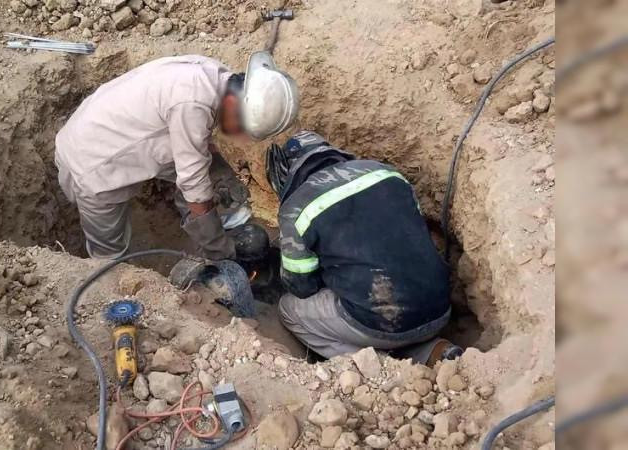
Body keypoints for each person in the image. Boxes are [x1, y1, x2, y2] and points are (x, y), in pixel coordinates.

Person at [55, 52, 298, 260]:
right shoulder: (192, 105)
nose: (237, 132)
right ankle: (112, 284)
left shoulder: (214, 75)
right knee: (108, 257)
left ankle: (228, 222)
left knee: (212, 169)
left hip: (102, 129)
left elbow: (196, 143)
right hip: (92, 161)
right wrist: (219, 248)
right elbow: (193, 181)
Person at [266, 130, 461, 363]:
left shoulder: (296, 208)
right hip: (440, 307)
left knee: (289, 309)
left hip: (381, 322)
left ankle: (382, 364)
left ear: (289, 170)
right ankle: (431, 351)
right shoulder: (388, 173)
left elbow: (301, 286)